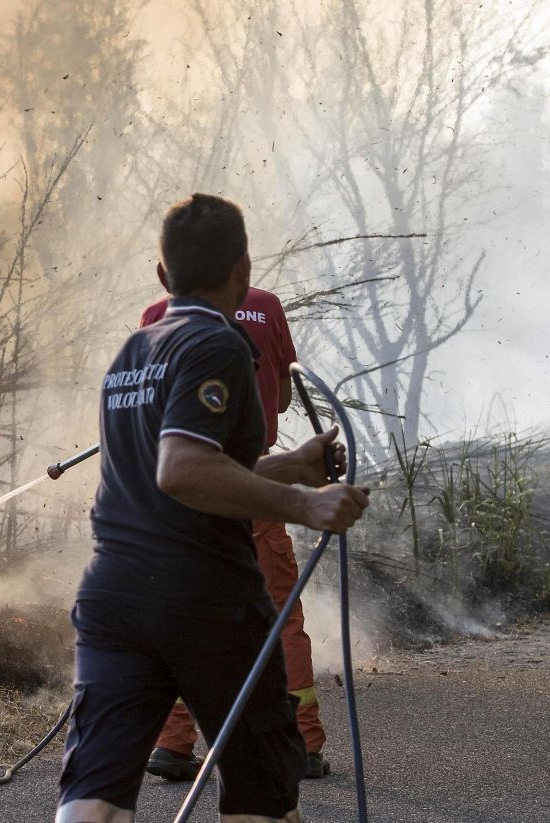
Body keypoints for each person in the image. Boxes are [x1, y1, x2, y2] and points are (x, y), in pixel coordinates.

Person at [56, 194, 368, 823]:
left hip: (115, 602)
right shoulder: (218, 343)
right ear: (243, 271)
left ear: (163, 276)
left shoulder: (132, 354)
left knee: (96, 798)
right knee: (262, 790)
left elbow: (173, 471)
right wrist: (305, 504)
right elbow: (185, 471)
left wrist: (292, 467)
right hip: (204, 598)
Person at [140, 287, 331, 782]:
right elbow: (285, 395)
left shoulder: (158, 313)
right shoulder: (265, 307)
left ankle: (173, 744)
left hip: (188, 493)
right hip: (254, 483)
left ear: (170, 268)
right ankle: (301, 744)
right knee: (280, 617)